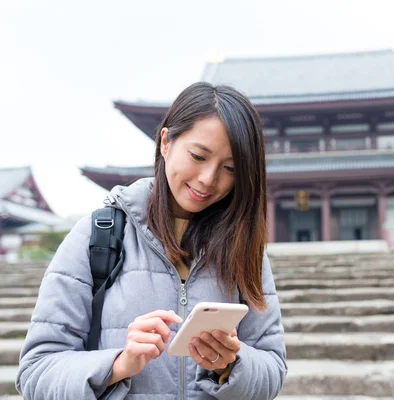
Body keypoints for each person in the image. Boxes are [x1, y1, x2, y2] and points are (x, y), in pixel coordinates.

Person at [16, 82, 287, 399]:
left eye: (230, 168)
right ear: (166, 142)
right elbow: (35, 372)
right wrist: (119, 364)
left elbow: (273, 369)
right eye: (198, 156)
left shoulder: (243, 246)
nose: (209, 179)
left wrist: (230, 365)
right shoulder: (97, 234)